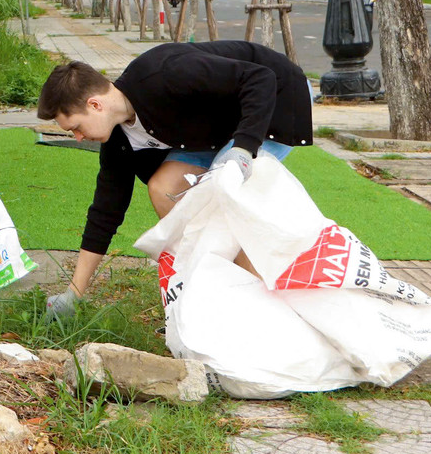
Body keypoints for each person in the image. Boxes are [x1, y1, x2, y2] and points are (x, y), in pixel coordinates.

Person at [35, 41, 314, 318]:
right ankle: (217, 284)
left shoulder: (165, 74)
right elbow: (106, 211)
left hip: (277, 98)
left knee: (222, 189)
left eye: (76, 128)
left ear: (94, 104)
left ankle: (255, 302)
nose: (79, 138)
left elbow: (259, 77)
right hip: (217, 129)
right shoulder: (118, 140)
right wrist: (74, 293)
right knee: (164, 189)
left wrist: (243, 148)